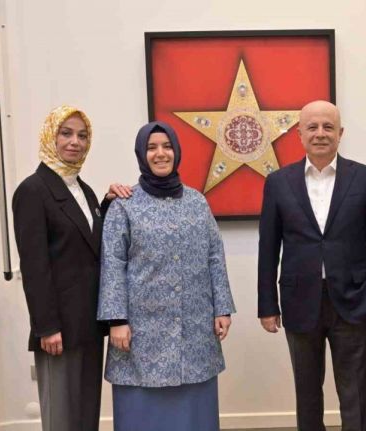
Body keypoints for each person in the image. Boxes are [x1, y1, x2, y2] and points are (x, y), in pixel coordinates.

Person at [257, 100, 366, 431]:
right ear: (299, 134)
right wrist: (267, 305)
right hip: (299, 300)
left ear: (340, 133)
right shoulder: (278, 182)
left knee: (354, 392)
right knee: (306, 394)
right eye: (312, 127)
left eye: (328, 127)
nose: (320, 133)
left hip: (353, 300)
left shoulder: (365, 179)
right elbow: (268, 248)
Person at [97, 121, 235, 431]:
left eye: (167, 146)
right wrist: (116, 320)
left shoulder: (197, 202)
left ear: (177, 151)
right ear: (141, 154)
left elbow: (214, 254)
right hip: (141, 334)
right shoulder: (124, 205)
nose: (161, 153)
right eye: (152, 147)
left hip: (194, 328)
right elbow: (113, 264)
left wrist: (222, 308)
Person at [12, 105, 130, 431]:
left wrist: (107, 205)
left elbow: (88, 244)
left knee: (86, 418)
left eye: (82, 135)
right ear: (50, 136)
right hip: (59, 329)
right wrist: (47, 327)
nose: (74, 142)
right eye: (66, 133)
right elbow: (34, 266)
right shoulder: (33, 190)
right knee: (62, 420)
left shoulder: (84, 190)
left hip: (89, 324)